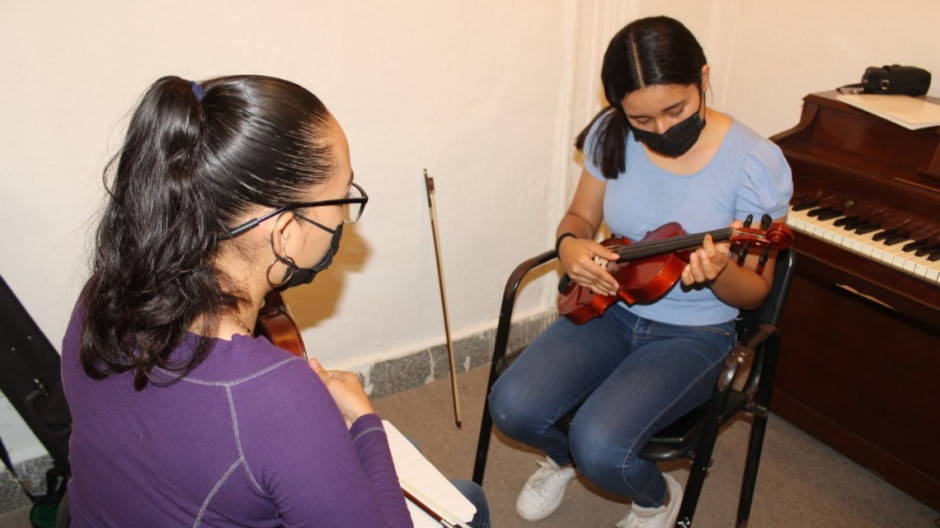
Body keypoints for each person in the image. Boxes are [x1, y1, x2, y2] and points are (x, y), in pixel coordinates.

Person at [61, 75, 489, 527]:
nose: (345, 216)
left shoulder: (102, 296)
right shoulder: (279, 397)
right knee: (470, 502)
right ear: (285, 231)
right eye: (342, 197)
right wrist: (365, 420)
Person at [487, 16, 792, 528]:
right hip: (610, 307)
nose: (662, 130)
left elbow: (755, 289)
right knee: (511, 406)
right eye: (642, 121)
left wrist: (717, 272)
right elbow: (579, 217)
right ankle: (563, 459)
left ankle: (656, 498)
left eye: (675, 109)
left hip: (696, 334)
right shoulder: (612, 132)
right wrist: (570, 249)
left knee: (601, 445)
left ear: (704, 76)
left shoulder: (755, 162)